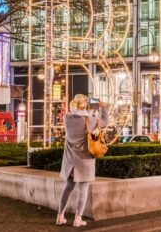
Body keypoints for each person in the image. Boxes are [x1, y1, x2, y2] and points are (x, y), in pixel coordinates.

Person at [56, 94, 108, 227]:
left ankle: (60, 216)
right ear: (85, 104)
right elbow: (104, 122)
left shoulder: (66, 117)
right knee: (83, 189)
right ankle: (77, 219)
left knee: (68, 187)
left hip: (69, 159)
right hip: (84, 160)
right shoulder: (89, 119)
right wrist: (103, 107)